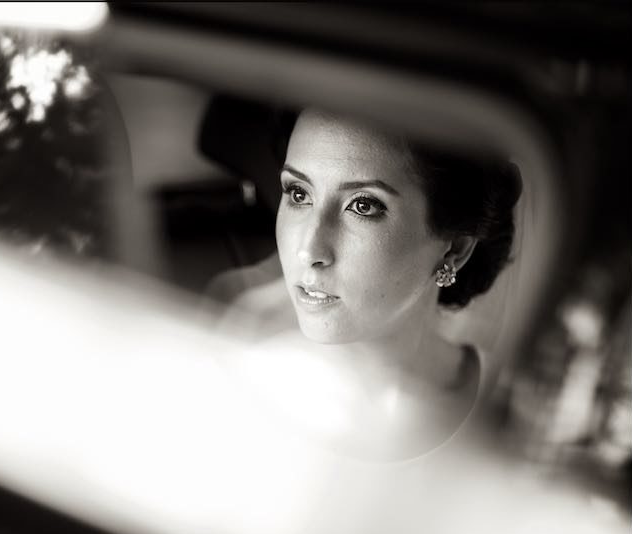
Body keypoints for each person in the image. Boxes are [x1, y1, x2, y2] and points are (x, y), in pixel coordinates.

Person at [213, 108, 522, 461]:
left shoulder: (516, 417)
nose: (308, 251)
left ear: (455, 248)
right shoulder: (233, 390)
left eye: (362, 205)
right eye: (298, 194)